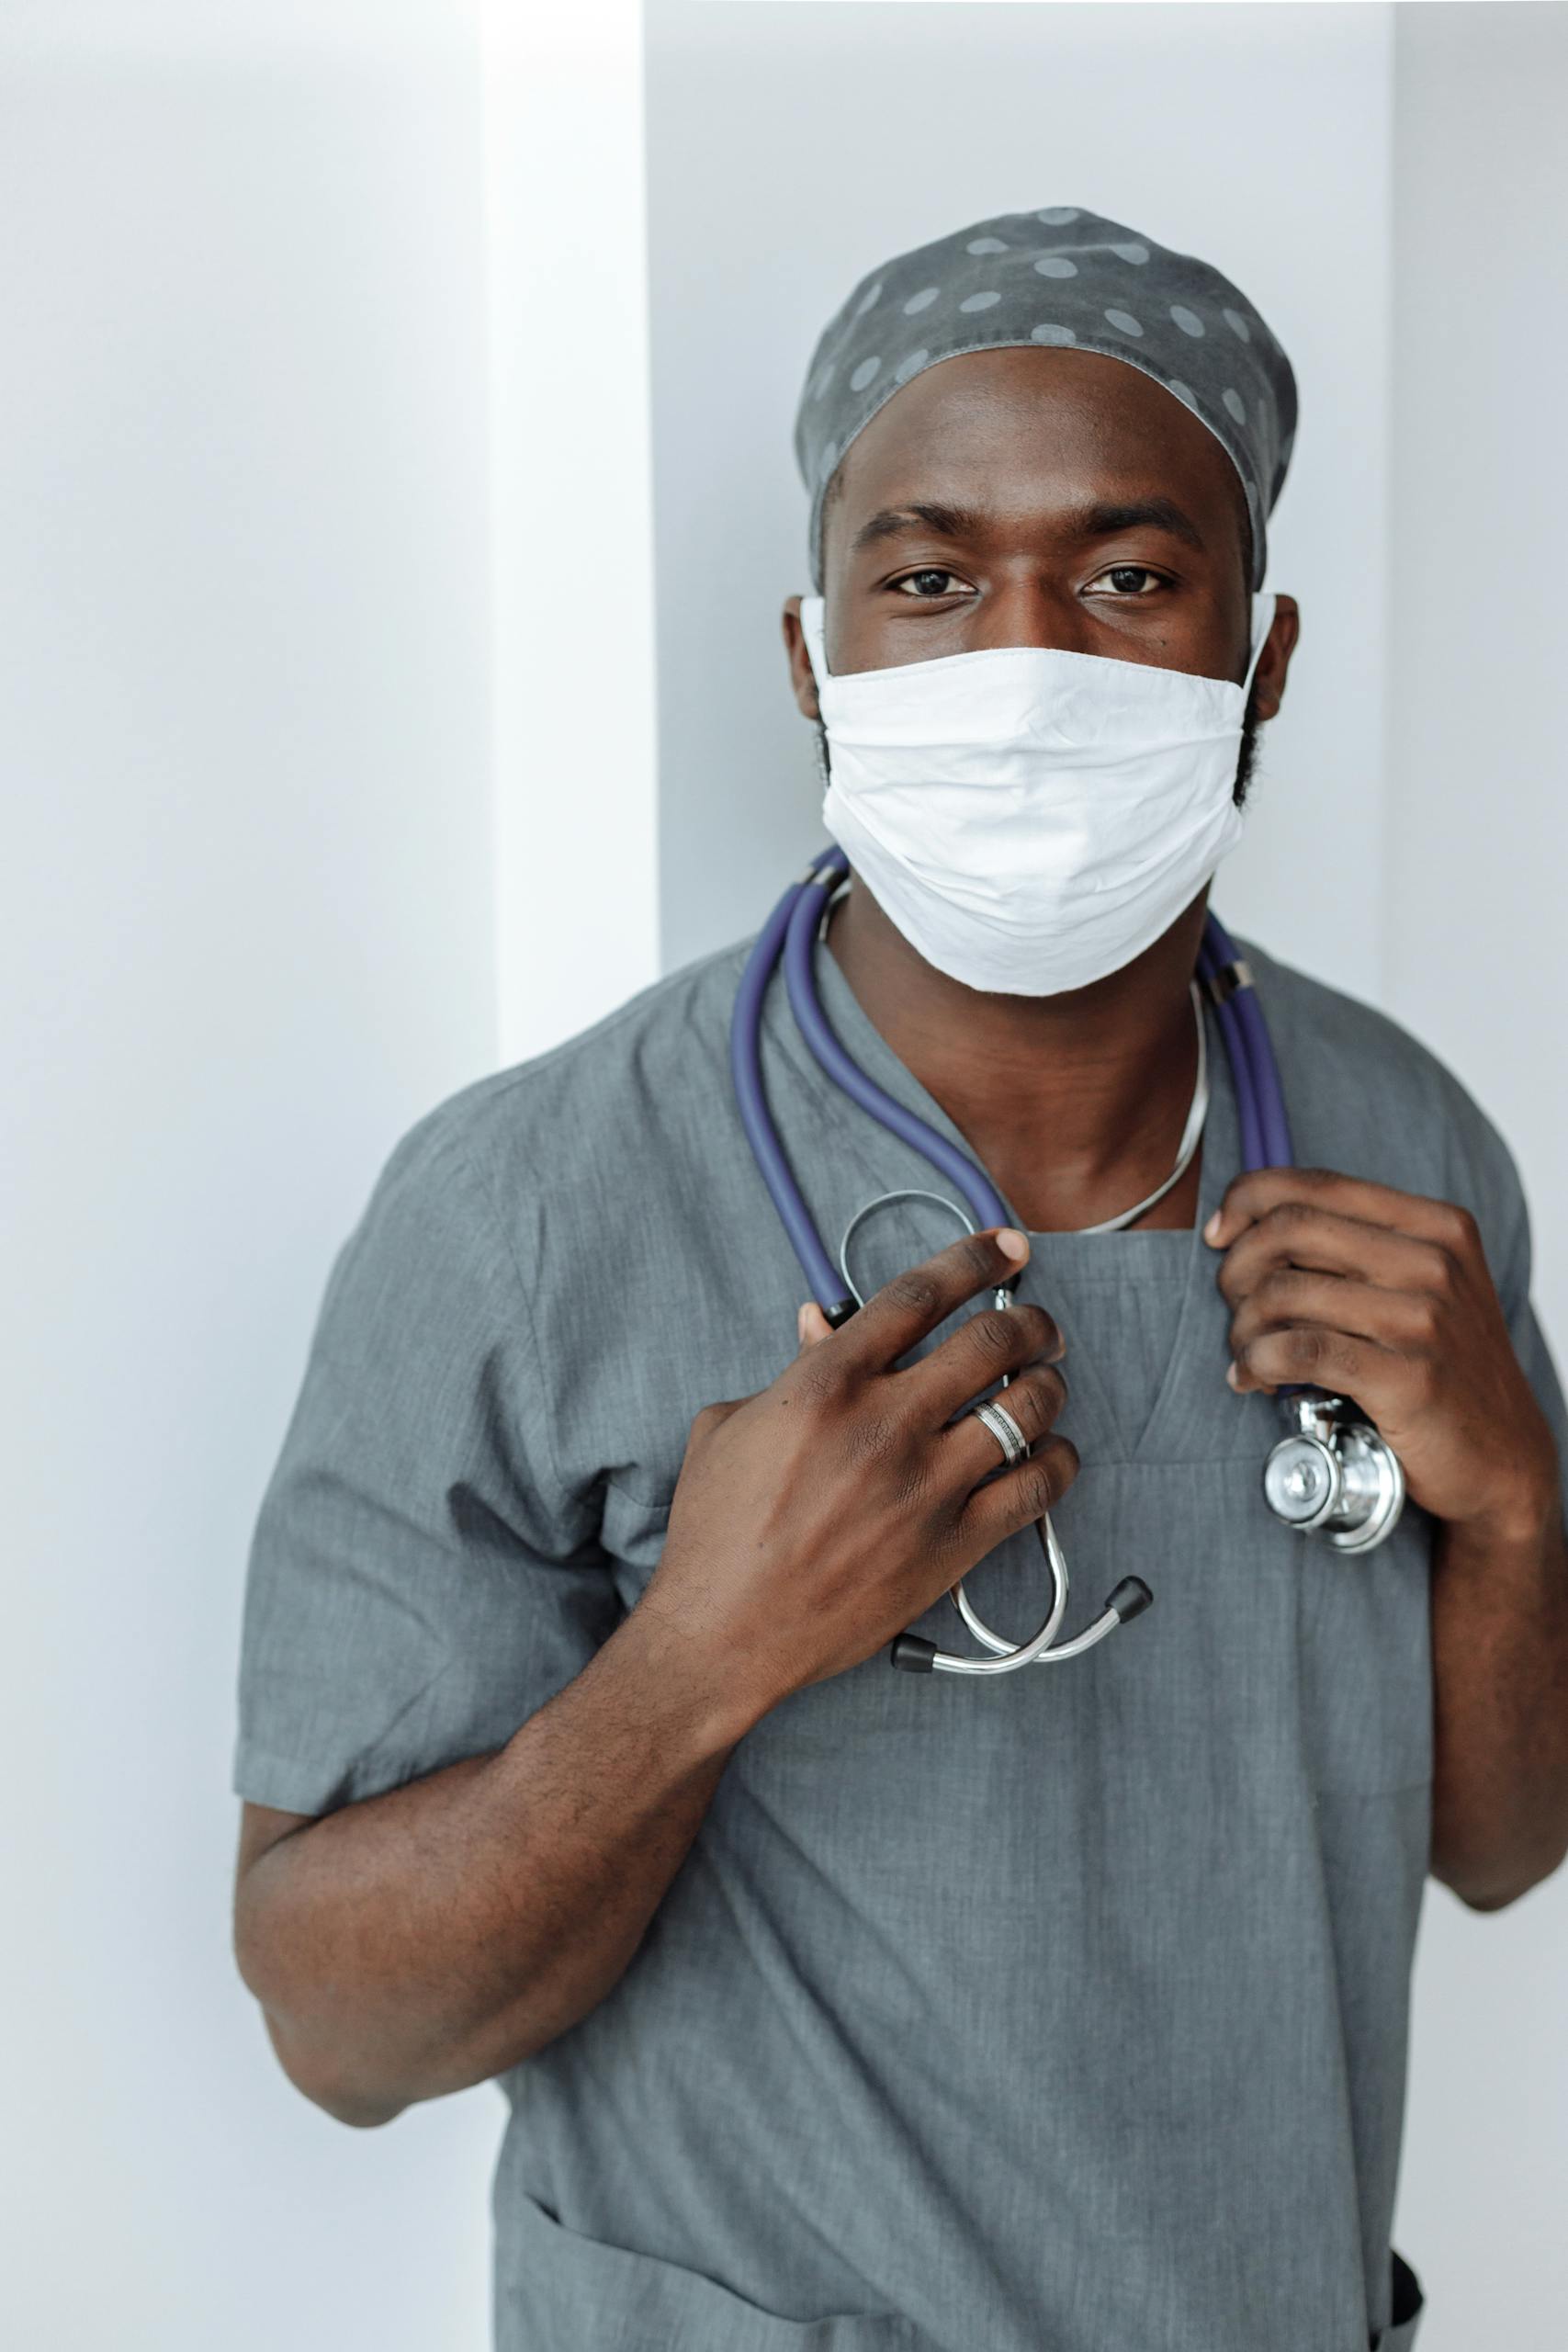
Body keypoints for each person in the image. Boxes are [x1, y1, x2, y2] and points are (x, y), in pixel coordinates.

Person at [231, 207, 1568, 2352]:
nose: (1019, 663)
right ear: (812, 656)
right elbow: (338, 2026)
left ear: (1262, 657)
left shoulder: (1404, 1148)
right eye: (929, 579)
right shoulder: (534, 1201)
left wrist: (1504, 1505)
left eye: (1127, 579)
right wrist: (699, 1655)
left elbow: (1495, 1845)